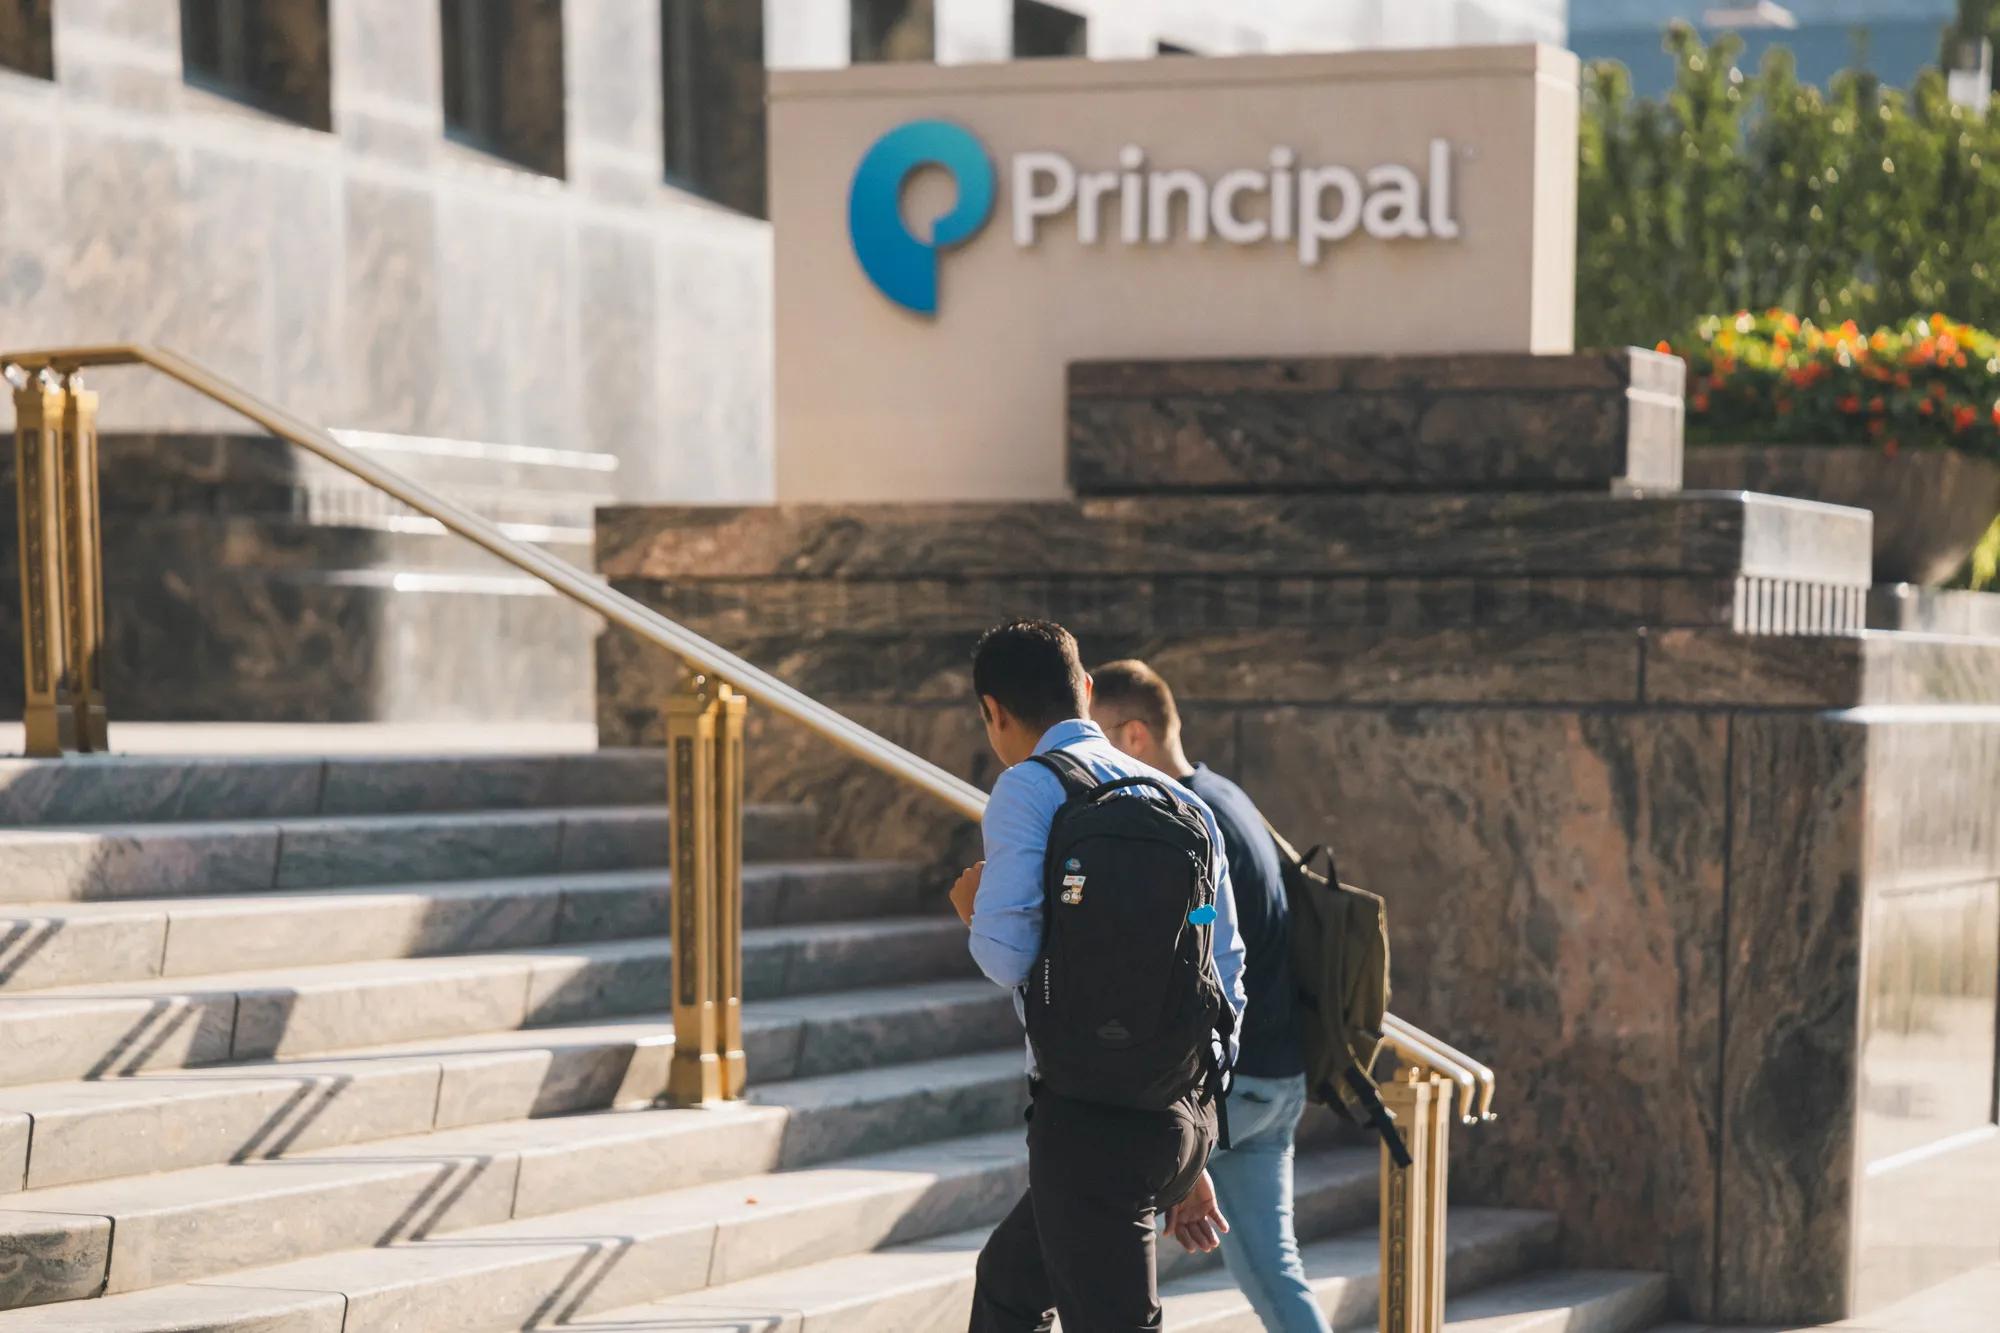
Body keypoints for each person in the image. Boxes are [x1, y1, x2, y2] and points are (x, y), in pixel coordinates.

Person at [949, 620, 1248, 1333]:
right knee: (1010, 1282)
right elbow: (1227, 971)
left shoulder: (1028, 788)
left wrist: (971, 911)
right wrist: (1186, 1129)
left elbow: (1004, 956)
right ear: (1085, 689)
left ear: (993, 710)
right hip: (1173, 1114)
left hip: (1086, 1122)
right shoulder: (1183, 800)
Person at [1091, 659, 1331, 1333]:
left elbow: (1197, 975)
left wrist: (1189, 1124)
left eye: (1095, 738)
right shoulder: (1226, 794)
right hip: (1276, 1079)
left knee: (1085, 1220)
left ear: (1133, 736)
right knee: (1276, 1276)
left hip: (1232, 1086)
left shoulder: (1185, 821)